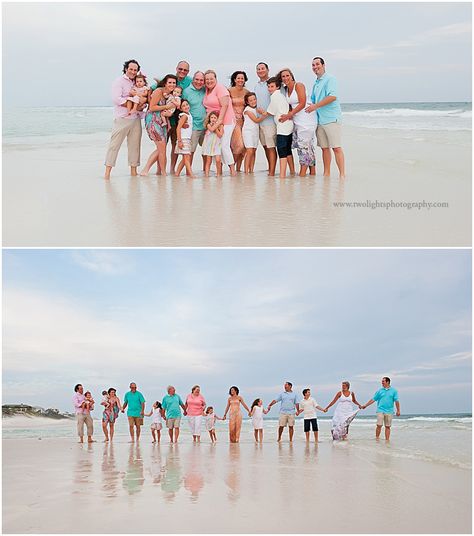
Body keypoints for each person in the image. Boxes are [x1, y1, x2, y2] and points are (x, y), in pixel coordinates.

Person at [104, 59, 145, 180]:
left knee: (135, 146)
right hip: (122, 118)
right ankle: (107, 174)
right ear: (126, 69)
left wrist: (140, 105)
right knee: (114, 145)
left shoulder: (138, 82)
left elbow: (144, 97)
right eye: (131, 69)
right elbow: (116, 99)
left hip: (136, 118)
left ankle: (133, 172)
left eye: (135, 69)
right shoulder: (119, 81)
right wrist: (131, 102)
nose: (133, 71)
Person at [305, 57, 345, 178]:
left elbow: (332, 96)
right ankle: (326, 173)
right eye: (313, 65)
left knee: (336, 148)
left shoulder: (330, 79)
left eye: (317, 64)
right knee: (324, 148)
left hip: (331, 119)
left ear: (323, 65)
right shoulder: (316, 82)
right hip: (319, 120)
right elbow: (311, 101)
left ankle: (342, 175)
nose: (315, 67)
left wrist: (315, 106)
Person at [278, 68, 317, 176]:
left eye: (287, 75)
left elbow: (302, 102)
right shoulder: (285, 90)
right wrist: (290, 113)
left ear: (291, 76)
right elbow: (290, 105)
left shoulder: (299, 85)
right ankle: (312, 172)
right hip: (296, 119)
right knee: (307, 146)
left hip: (306, 118)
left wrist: (289, 115)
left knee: (303, 145)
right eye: (283, 76)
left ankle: (302, 174)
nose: (285, 78)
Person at [140, 75, 178, 177]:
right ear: (165, 83)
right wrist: (167, 106)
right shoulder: (158, 91)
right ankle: (160, 172)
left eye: (174, 83)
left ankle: (158, 172)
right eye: (170, 82)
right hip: (153, 120)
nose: (172, 85)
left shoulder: (170, 95)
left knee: (162, 148)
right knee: (162, 148)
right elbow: (152, 107)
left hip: (163, 121)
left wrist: (169, 113)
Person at [203, 70, 237, 176]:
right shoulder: (207, 90)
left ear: (216, 79)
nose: (209, 81)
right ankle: (219, 172)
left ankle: (232, 170)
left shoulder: (220, 88)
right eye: (207, 79)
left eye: (211, 79)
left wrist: (219, 122)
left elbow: (225, 105)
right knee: (217, 146)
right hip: (214, 121)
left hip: (226, 120)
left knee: (224, 146)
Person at [264, 77, 295, 178]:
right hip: (289, 125)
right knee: (288, 150)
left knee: (281, 150)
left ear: (277, 87)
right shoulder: (282, 95)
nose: (270, 89)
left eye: (272, 86)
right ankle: (292, 172)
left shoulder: (275, 96)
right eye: (268, 87)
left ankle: (282, 176)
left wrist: (261, 112)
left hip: (283, 126)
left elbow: (270, 112)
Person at [254, 62, 277, 176]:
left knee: (271, 147)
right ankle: (270, 169)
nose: (260, 70)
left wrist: (266, 113)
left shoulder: (272, 84)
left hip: (270, 121)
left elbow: (277, 102)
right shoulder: (257, 85)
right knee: (265, 147)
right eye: (258, 69)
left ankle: (272, 173)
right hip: (259, 122)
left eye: (263, 68)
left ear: (267, 70)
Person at [182, 71, 207, 168]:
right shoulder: (186, 92)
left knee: (206, 151)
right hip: (193, 126)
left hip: (206, 126)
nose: (199, 82)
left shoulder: (205, 90)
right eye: (197, 79)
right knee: (190, 151)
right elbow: (182, 107)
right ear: (193, 79)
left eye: (201, 80)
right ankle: (189, 173)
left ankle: (206, 172)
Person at [228, 71, 250, 172]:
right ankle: (232, 166)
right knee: (239, 145)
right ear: (234, 79)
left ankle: (238, 170)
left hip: (244, 121)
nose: (240, 80)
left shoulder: (246, 92)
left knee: (244, 147)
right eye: (238, 78)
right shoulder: (229, 91)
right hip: (233, 121)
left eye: (242, 78)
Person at [242, 92, 267, 173]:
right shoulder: (247, 110)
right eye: (251, 100)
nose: (253, 101)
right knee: (249, 151)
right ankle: (246, 171)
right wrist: (264, 115)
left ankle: (251, 170)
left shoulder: (256, 109)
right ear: (247, 102)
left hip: (255, 132)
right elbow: (256, 120)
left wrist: (262, 112)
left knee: (253, 151)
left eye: (254, 99)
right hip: (248, 132)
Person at [174, 100, 195, 178]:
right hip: (183, 139)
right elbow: (178, 128)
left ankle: (177, 174)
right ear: (180, 108)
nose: (186, 106)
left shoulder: (188, 114)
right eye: (183, 106)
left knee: (184, 159)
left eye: (187, 104)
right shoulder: (184, 116)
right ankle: (191, 175)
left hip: (187, 139)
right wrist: (179, 141)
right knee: (186, 158)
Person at [202, 111, 224, 177]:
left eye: (215, 117)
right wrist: (216, 127)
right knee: (208, 161)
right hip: (209, 145)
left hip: (217, 145)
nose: (213, 119)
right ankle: (206, 175)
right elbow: (211, 130)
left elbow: (220, 135)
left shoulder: (221, 126)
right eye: (211, 117)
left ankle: (218, 174)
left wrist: (216, 127)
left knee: (218, 160)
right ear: (209, 118)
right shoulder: (208, 124)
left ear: (218, 119)